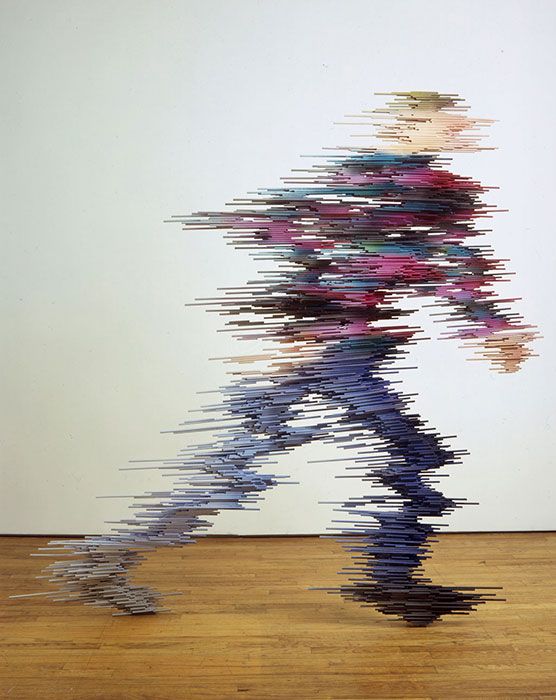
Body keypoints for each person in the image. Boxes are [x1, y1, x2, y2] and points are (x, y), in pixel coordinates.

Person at [34, 91, 537, 625]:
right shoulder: (383, 185)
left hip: (333, 350)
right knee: (409, 456)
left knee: (235, 471)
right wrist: (303, 320)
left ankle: (104, 560)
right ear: (407, 125)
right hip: (336, 353)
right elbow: (312, 240)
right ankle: (391, 580)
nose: (463, 127)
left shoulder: (426, 189)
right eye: (447, 120)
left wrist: (491, 327)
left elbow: (447, 265)